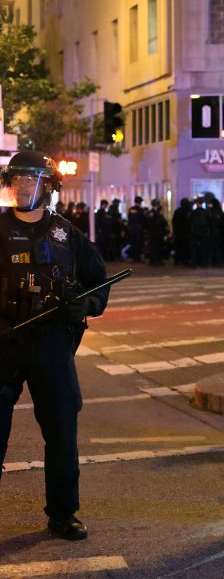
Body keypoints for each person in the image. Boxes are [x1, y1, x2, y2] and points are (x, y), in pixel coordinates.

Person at [0, 151, 110, 540]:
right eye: (17, 180)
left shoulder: (68, 234)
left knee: (62, 432)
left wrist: (85, 304)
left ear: (47, 185)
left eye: (31, 180)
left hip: (51, 345)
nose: (23, 187)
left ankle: (63, 514)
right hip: (4, 345)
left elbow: (100, 282)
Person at [145, 199, 168, 266]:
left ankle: (155, 260)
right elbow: (157, 223)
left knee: (155, 247)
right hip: (155, 233)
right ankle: (155, 261)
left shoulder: (154, 213)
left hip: (155, 233)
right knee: (155, 247)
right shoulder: (153, 213)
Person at [126, 196, 145, 262]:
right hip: (138, 230)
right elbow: (143, 220)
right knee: (138, 244)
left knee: (133, 243)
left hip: (132, 229)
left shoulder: (131, 209)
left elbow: (129, 218)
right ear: (139, 202)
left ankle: (134, 258)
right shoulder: (140, 210)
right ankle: (137, 258)